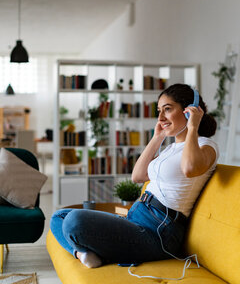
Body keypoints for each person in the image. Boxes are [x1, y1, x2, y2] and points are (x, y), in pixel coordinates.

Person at [50, 83, 219, 269]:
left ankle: (91, 251)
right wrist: (157, 138)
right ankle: (83, 254)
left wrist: (193, 127)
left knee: (75, 221)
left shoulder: (206, 145)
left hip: (159, 231)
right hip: (136, 215)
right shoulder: (170, 148)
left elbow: (190, 168)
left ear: (189, 111)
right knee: (59, 216)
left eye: (168, 109)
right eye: (159, 111)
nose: (161, 117)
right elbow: (137, 176)